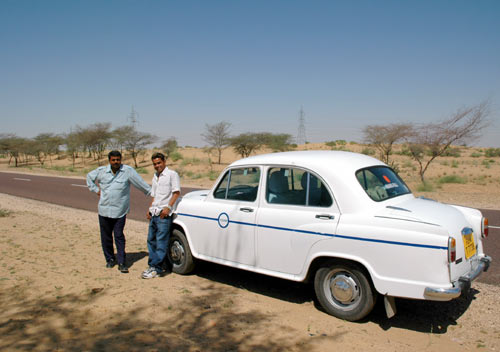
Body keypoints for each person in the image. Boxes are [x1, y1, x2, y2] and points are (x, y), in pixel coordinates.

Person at [87, 150, 152, 273]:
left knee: (119, 236)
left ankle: (122, 262)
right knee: (106, 237)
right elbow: (89, 178)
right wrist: (96, 190)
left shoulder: (128, 171)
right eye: (113, 160)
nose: (116, 162)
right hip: (104, 210)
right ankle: (110, 259)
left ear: (121, 160)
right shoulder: (101, 171)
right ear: (109, 160)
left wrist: (155, 195)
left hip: (120, 211)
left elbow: (142, 185)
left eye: (118, 159)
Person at [142, 152, 181, 279]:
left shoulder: (172, 175)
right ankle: (153, 266)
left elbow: (176, 193)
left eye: (159, 163)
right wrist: (150, 208)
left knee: (161, 241)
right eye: (154, 164)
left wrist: (168, 207)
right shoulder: (155, 176)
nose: (157, 166)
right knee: (151, 240)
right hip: (154, 213)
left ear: (164, 161)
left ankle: (157, 269)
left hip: (164, 215)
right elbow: (154, 195)